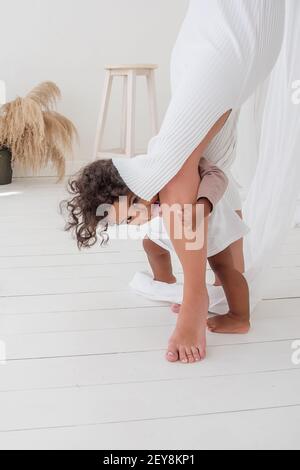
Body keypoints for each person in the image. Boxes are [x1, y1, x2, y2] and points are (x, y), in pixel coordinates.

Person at [64, 0, 285, 364]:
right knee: (179, 170)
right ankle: (202, 296)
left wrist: (202, 206)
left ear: (131, 194)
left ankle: (212, 305)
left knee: (177, 168)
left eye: (131, 215)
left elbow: (214, 180)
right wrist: (164, 275)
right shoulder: (159, 211)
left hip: (220, 36)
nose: (137, 222)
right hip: (223, 31)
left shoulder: (169, 184)